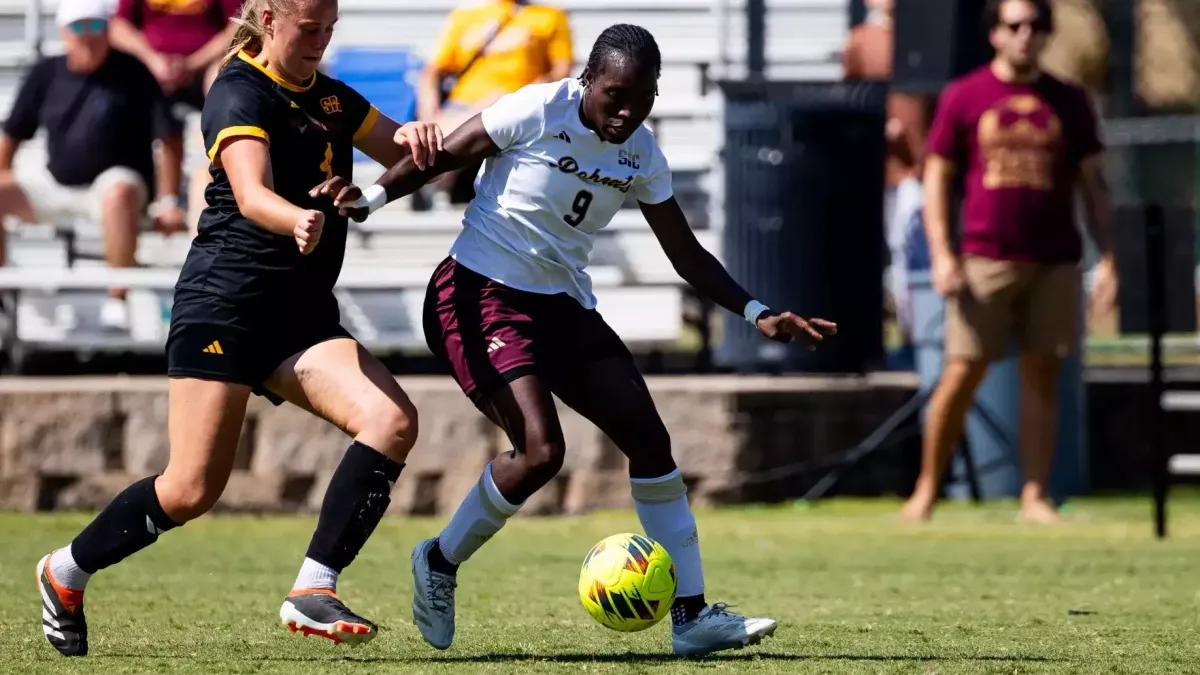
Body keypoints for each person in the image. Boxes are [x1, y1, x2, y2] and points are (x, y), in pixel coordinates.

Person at [315, 24, 837, 657]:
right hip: (478, 294)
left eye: (642, 99)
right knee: (540, 452)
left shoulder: (641, 151)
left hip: (562, 306)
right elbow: (449, 153)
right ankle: (441, 560)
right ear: (588, 80)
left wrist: (758, 311)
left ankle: (692, 615)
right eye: (616, 95)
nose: (626, 112)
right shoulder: (539, 107)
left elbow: (686, 254)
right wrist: (369, 198)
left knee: (651, 441)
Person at [35, 0, 444, 657]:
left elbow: (411, 152)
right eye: (309, 29)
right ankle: (64, 570)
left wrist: (429, 140)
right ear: (271, 19)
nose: (319, 42)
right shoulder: (237, 89)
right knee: (190, 489)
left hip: (300, 319)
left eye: (329, 29)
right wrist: (297, 219)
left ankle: (312, 587)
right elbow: (251, 193)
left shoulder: (339, 101)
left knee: (393, 419)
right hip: (224, 306)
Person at [899, 0, 1116, 523]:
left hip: (1055, 259)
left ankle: (1035, 495)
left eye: (1037, 26)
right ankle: (926, 491)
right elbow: (937, 178)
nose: (1026, 35)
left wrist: (1109, 256)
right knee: (961, 372)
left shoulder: (1069, 100)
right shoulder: (965, 95)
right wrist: (943, 253)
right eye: (1015, 26)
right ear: (995, 34)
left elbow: (1094, 185)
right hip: (984, 257)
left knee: (1042, 374)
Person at [0, 0, 185, 329]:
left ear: (108, 30)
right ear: (64, 32)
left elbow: (170, 137)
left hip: (117, 186)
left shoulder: (133, 72)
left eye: (96, 26)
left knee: (117, 192)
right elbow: (12, 134)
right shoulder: (46, 72)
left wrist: (169, 202)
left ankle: (118, 299)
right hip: (55, 183)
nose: (88, 36)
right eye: (79, 27)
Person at [842, 0, 933, 361]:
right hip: (885, 168)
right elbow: (850, 99)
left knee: (916, 251)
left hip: (926, 167)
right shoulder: (861, 42)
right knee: (901, 250)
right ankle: (907, 335)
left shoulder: (925, 40)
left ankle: (919, 334)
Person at [416, 0, 573, 206]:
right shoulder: (465, 16)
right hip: (460, 107)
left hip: (516, 105)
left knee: (488, 110)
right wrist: (430, 115)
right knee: (440, 128)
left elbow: (561, 74)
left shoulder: (549, 17)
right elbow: (432, 73)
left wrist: (516, 96)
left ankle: (431, 180)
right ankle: (436, 178)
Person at [110, 0, 244, 233]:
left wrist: (192, 64)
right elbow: (118, 27)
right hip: (152, 70)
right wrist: (153, 59)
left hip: (206, 68)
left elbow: (238, 25)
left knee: (221, 78)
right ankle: (166, 200)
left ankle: (219, 173)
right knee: (153, 107)